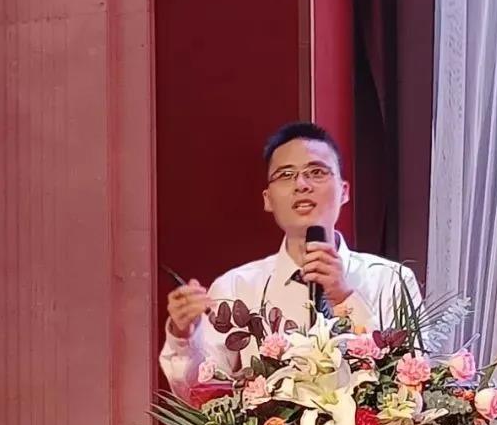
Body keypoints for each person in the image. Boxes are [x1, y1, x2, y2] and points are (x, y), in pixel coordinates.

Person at [159, 121, 421, 399]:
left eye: (316, 172)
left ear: (344, 191)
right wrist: (184, 337)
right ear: (267, 199)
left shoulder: (390, 280)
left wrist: (344, 297)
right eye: (286, 175)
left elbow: (416, 376)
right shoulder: (236, 287)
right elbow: (200, 393)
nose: (301, 185)